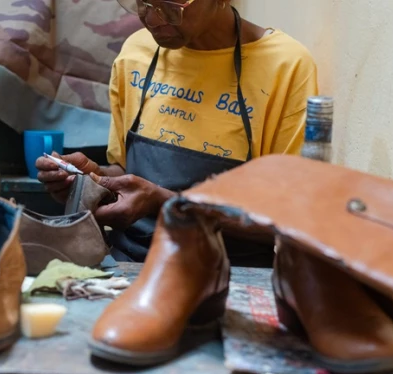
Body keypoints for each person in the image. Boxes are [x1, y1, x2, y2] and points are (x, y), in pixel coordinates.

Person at [36, 0, 318, 266]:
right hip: (130, 264)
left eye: (171, 5)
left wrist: (165, 202)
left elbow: (287, 221)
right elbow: (125, 169)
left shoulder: (285, 66)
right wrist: (92, 181)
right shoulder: (136, 53)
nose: (152, 18)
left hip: (230, 274)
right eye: (143, 3)